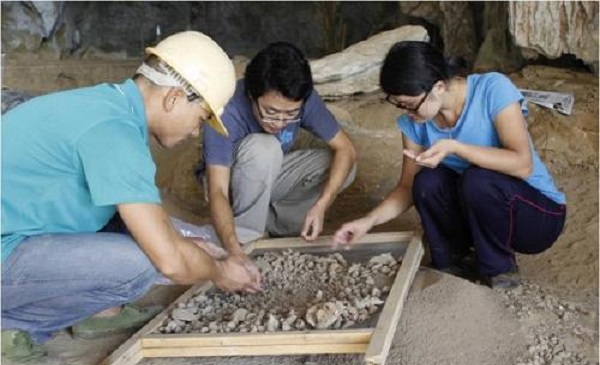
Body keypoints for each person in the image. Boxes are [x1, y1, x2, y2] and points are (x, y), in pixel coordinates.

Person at [1, 31, 261, 365]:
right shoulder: (115, 134)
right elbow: (169, 261)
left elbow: (144, 218)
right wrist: (219, 272)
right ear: (174, 98)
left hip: (17, 231)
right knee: (140, 265)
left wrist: (186, 243)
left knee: (166, 233)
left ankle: (100, 311)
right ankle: (13, 326)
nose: (197, 132)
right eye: (200, 119)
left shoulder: (110, 107)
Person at [332, 41, 566, 289]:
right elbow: (406, 188)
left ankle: (499, 270)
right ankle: (454, 262)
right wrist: (367, 221)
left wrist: (455, 147)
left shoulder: (492, 89)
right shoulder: (415, 124)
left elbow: (522, 164)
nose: (408, 113)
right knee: (427, 181)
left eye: (410, 104)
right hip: (481, 213)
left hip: (537, 215)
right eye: (399, 105)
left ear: (439, 87)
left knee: (477, 179)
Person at [197, 42, 357, 273]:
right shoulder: (227, 111)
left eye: (290, 114)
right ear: (252, 95)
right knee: (265, 146)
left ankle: (273, 225)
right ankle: (246, 239)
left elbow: (347, 149)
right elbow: (217, 191)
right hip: (229, 183)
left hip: (267, 175)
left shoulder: (305, 100)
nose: (280, 122)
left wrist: (322, 205)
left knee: (344, 168)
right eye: (270, 112)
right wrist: (234, 251)